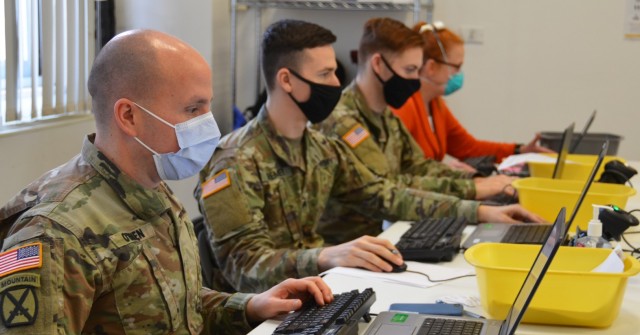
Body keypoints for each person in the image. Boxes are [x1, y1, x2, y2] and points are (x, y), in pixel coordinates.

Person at [0, 29, 335, 335]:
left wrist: (249, 306)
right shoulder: (56, 228)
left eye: (208, 107)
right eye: (193, 110)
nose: (209, 125)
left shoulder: (149, 183)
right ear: (129, 116)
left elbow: (172, 306)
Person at [195, 19, 506, 294]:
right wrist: (326, 256)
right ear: (286, 80)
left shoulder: (320, 147)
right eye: (326, 73)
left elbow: (384, 195)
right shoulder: (234, 161)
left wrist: (479, 211)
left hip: (322, 290)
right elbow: (244, 268)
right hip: (261, 321)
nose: (336, 83)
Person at [315, 17, 542, 244]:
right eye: (410, 69)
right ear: (378, 64)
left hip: (379, 239)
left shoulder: (384, 114)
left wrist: (479, 182)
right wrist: (473, 197)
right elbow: (388, 192)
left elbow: (419, 165)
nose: (416, 79)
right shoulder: (343, 122)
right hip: (346, 248)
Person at [392, 21, 552, 173]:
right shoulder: (405, 107)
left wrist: (519, 150)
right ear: (431, 67)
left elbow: (468, 148)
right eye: (457, 67)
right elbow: (397, 172)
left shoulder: (436, 105)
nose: (459, 75)